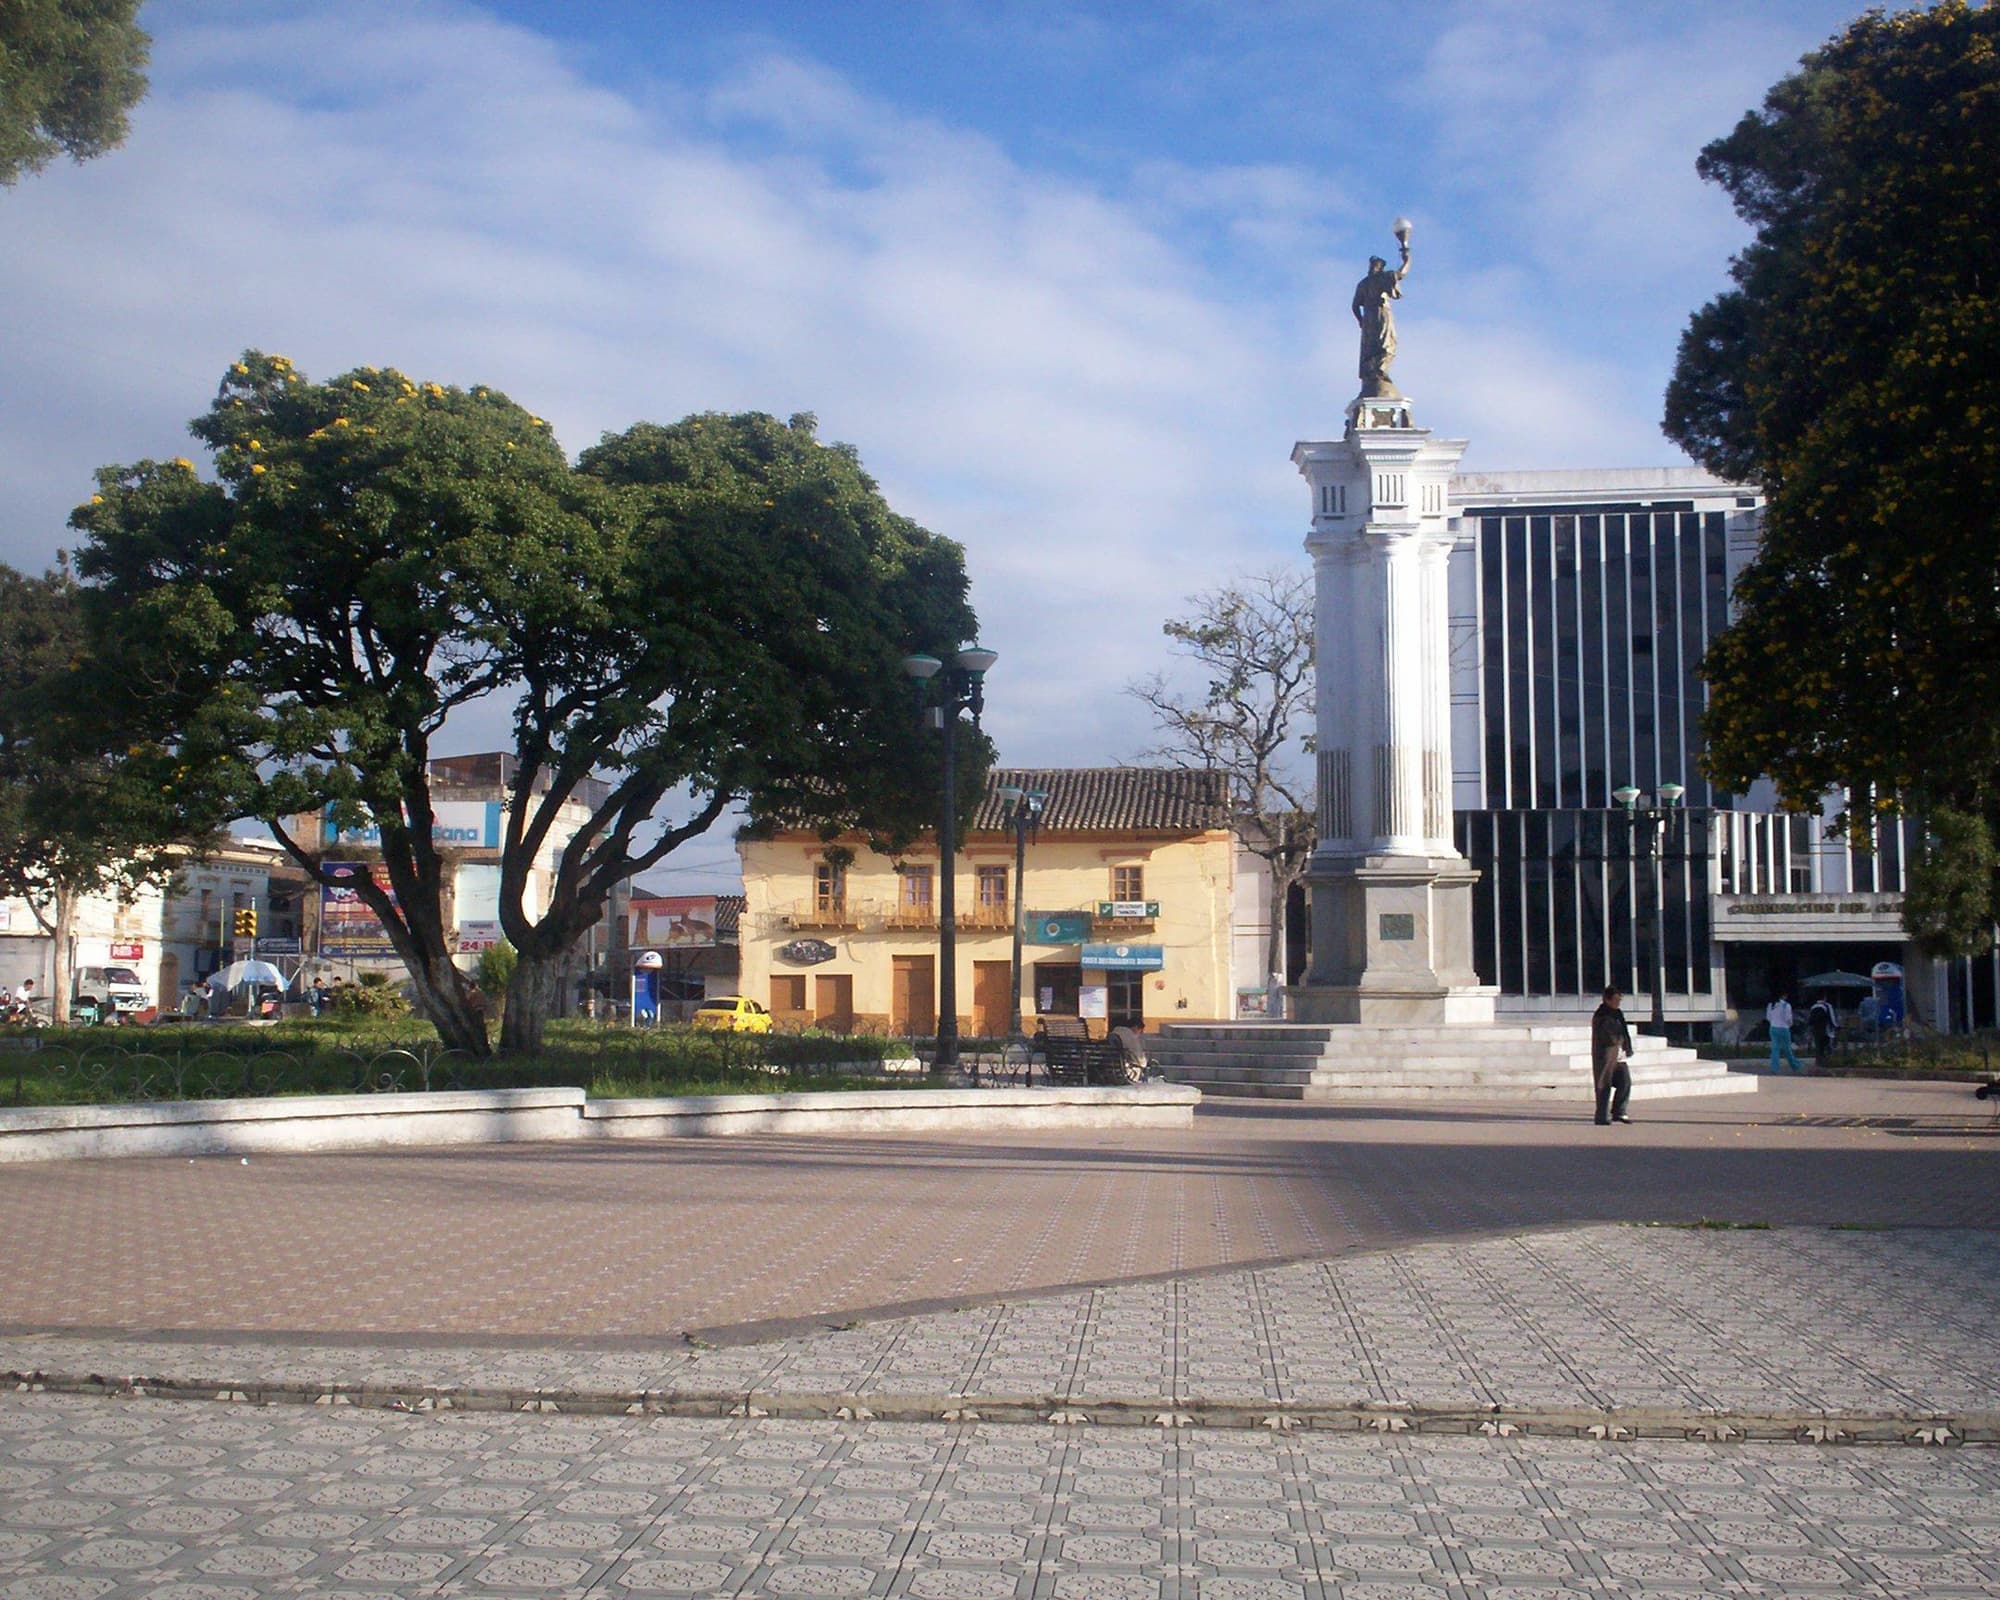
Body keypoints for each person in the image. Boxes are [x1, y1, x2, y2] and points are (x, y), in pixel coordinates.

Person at [1591, 985, 1634, 1125]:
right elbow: (1608, 1037)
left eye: (1619, 1000)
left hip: (1619, 1055)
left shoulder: (1617, 1013)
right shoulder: (1601, 1015)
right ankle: (1602, 1116)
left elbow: (1623, 1031)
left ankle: (1619, 1111)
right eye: (1615, 999)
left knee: (1625, 1081)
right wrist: (1620, 1039)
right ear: (1607, 1000)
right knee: (1604, 1085)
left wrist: (1627, 1046)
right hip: (1606, 1055)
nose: (1618, 1003)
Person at [1767, 993, 1803, 1073]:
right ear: (1783, 996)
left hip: (1773, 1027)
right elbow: (1788, 1019)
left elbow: (1768, 1017)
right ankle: (1795, 1065)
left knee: (1775, 1049)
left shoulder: (1771, 1005)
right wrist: (1790, 1025)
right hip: (1783, 1028)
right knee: (1787, 1049)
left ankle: (1775, 1068)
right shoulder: (1786, 1005)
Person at [1805, 995, 1837, 1061]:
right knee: (1826, 1043)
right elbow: (1832, 1017)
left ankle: (1818, 1059)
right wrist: (1835, 1026)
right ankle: (1826, 1059)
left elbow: (1810, 1018)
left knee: (1818, 1044)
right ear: (1825, 998)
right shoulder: (1827, 1005)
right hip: (1825, 1028)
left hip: (1815, 1028)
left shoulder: (1813, 1006)